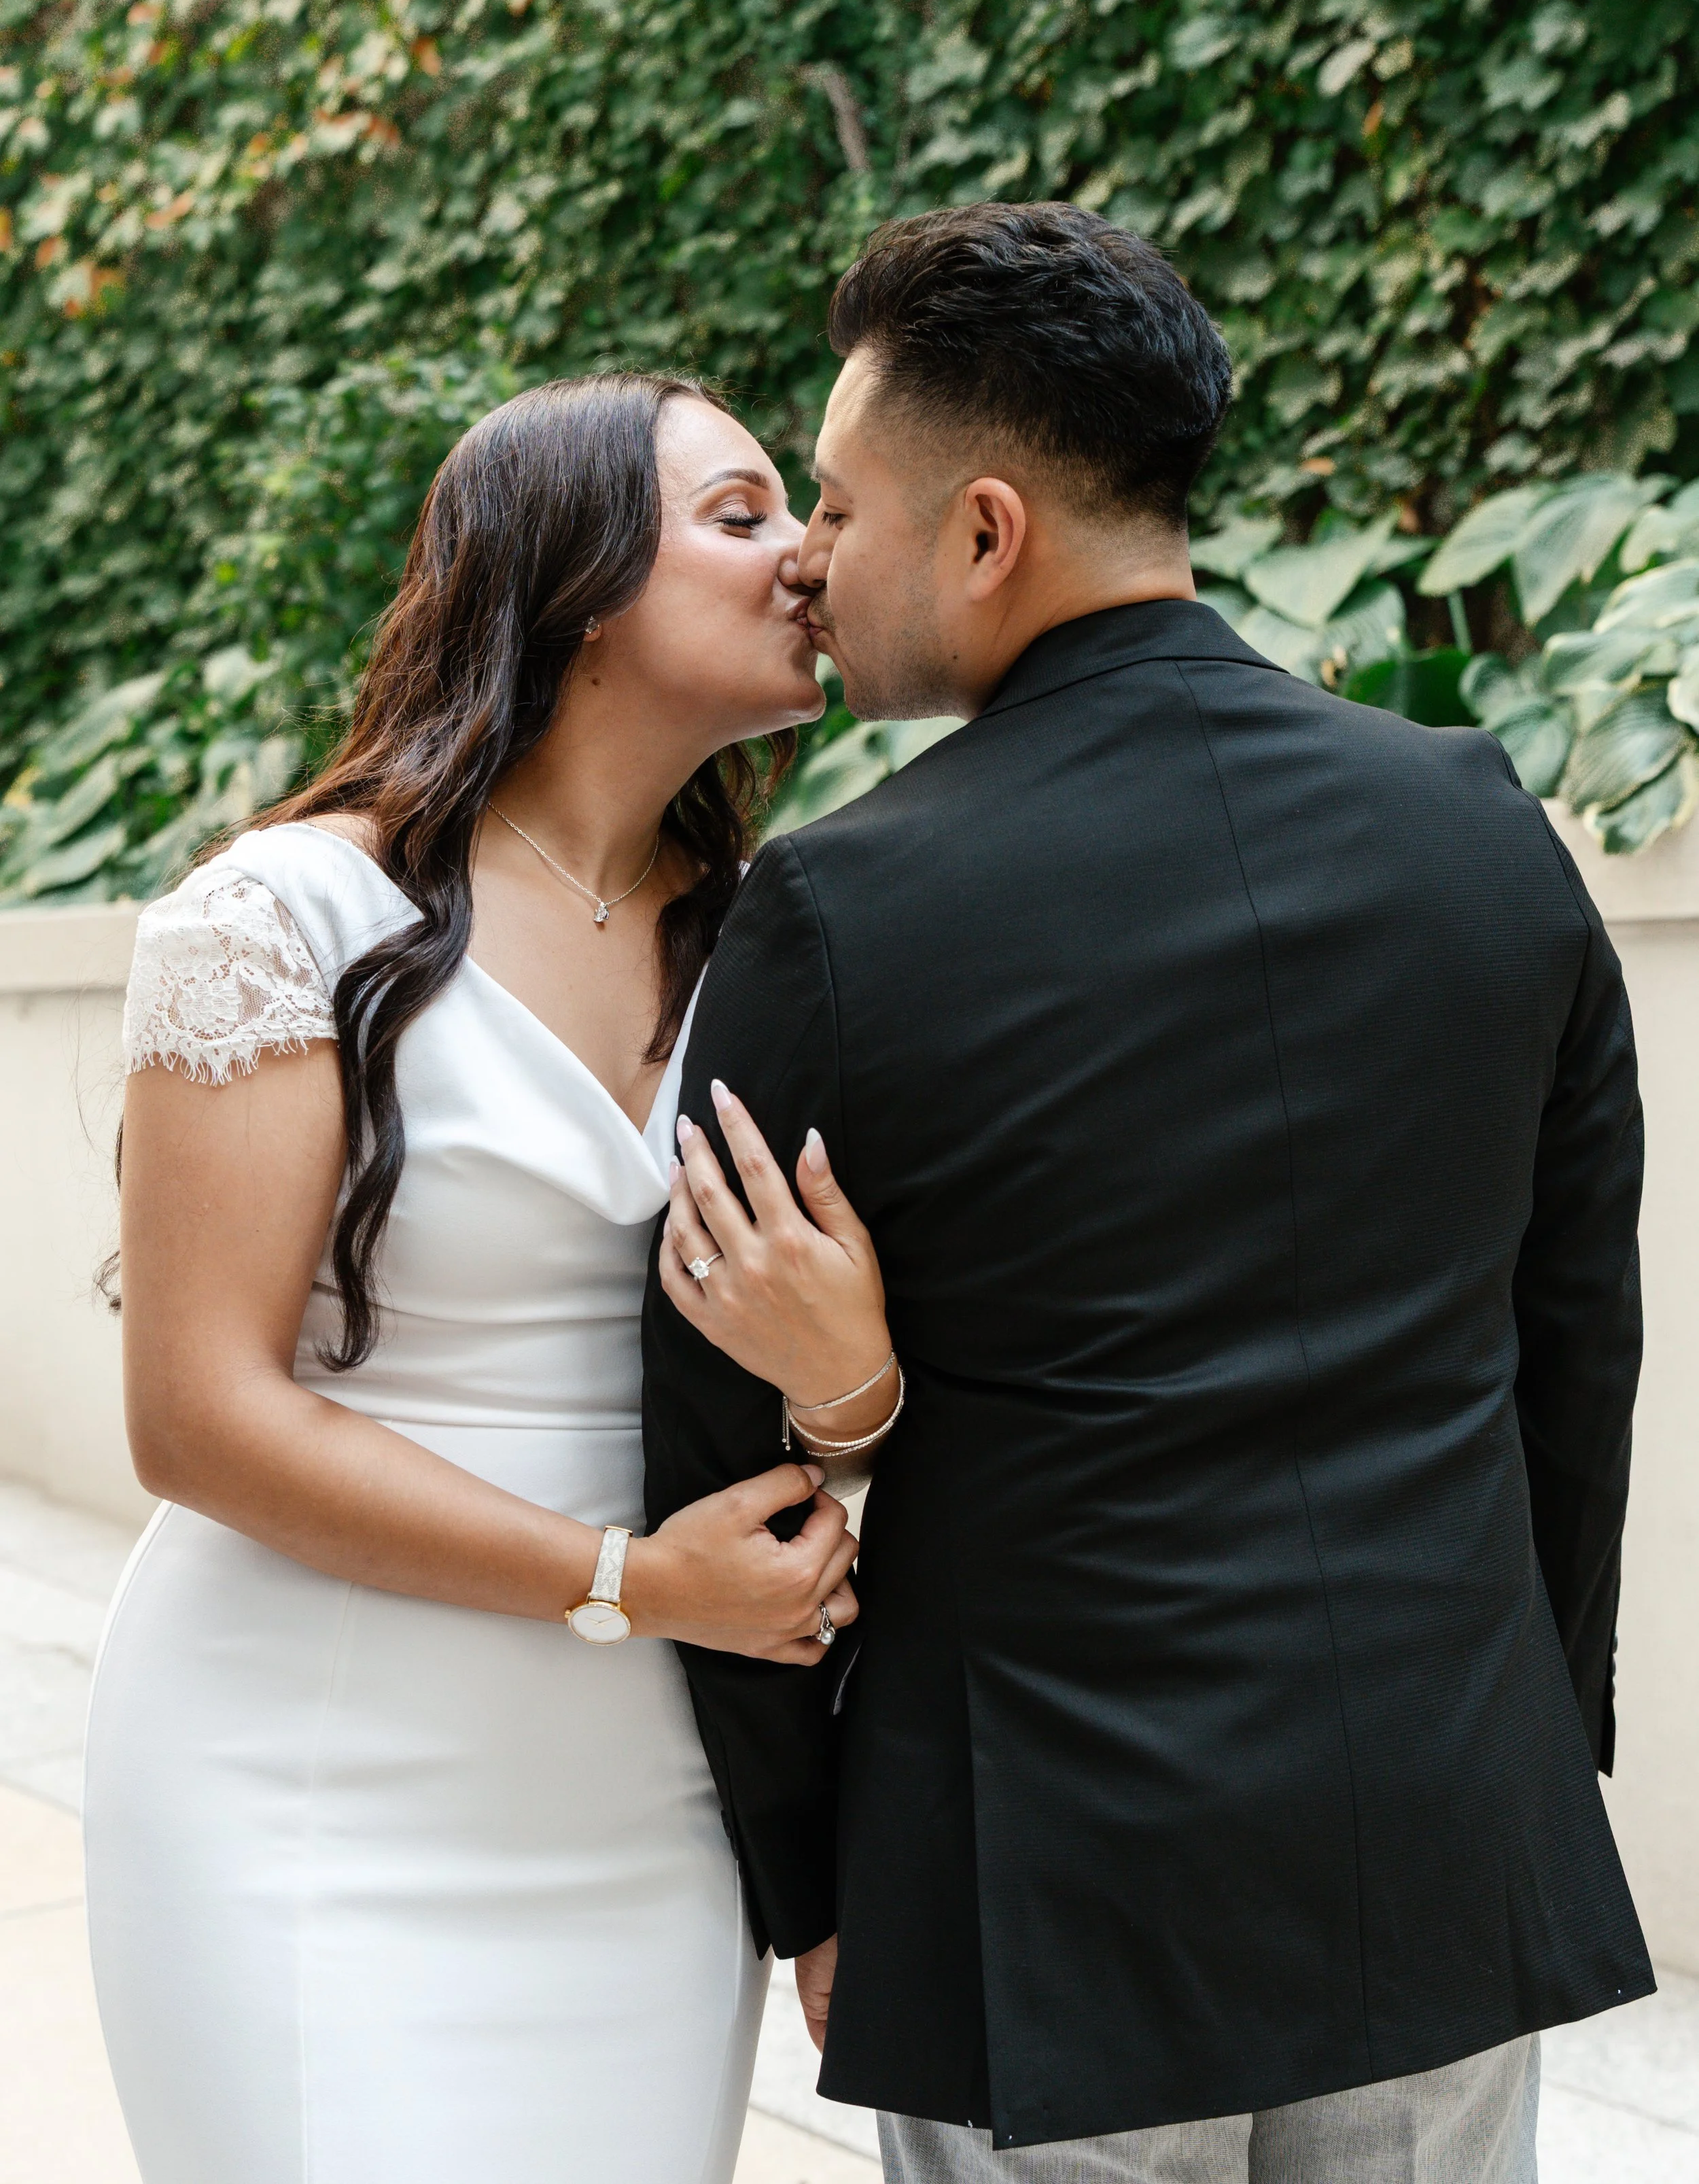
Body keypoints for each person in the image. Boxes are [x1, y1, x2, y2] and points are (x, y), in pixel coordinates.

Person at [642, 203, 1653, 2183]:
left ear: (988, 529)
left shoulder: (842, 914)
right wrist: (1527, 1756)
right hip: (1441, 1824)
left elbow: (708, 1448)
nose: (816, 560)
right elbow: (1573, 1340)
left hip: (1050, 1887)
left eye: (839, 502)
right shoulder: (1473, 825)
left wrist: (810, 1878)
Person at [86, 372, 886, 2184]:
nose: (804, 561)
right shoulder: (285, 917)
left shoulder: (785, 941)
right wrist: (624, 1579)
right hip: (302, 1777)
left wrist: (843, 1403)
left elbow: (824, 1364)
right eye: (743, 512)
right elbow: (197, 1417)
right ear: (585, 574)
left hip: (651, 1803)